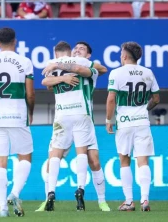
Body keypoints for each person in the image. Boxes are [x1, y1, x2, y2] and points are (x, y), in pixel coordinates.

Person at [35, 41, 110, 212]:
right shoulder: (71, 63)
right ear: (70, 52)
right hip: (78, 116)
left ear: (89, 55)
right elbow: (47, 82)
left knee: (93, 161)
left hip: (68, 116)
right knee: (70, 154)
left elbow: (97, 69)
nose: (77, 50)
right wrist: (61, 75)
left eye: (82, 49)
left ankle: (100, 200)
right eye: (75, 48)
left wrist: (57, 65)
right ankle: (69, 193)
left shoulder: (77, 63)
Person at [0, 27, 35, 218]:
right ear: (15, 41)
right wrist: (31, 112)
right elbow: (30, 93)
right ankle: (15, 193)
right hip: (18, 115)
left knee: (0, 163)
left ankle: (3, 207)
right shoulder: (25, 62)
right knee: (25, 157)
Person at [105, 41, 160, 212]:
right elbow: (156, 99)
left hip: (125, 123)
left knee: (124, 161)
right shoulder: (148, 73)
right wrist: (144, 109)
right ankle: (144, 199)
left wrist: (109, 120)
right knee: (143, 161)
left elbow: (111, 98)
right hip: (143, 122)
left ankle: (129, 201)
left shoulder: (116, 73)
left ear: (124, 56)